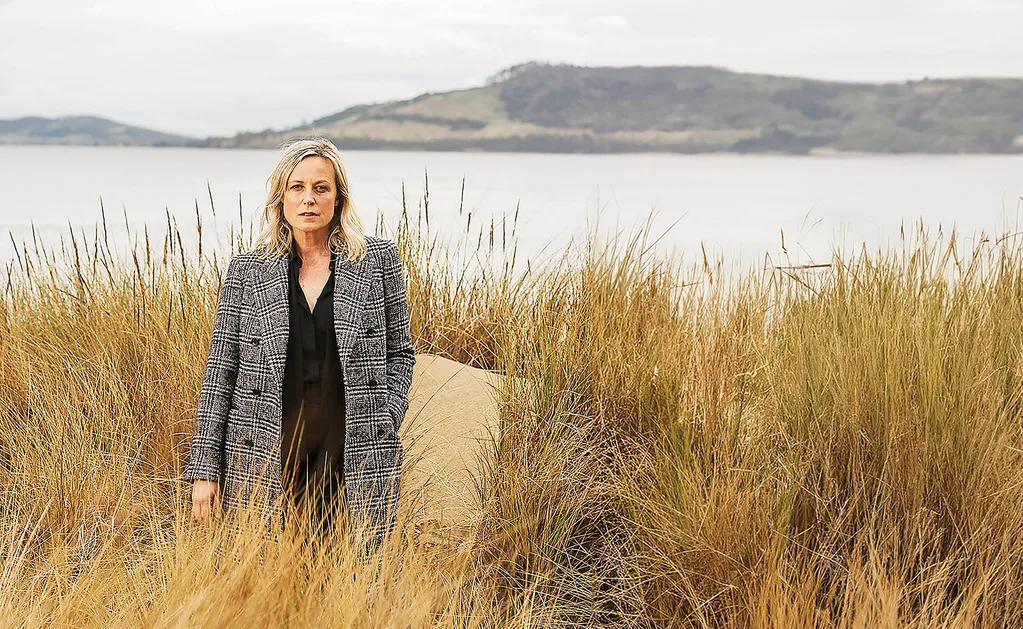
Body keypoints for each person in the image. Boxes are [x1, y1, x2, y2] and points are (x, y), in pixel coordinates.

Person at [180, 136, 416, 551]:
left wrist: (385, 416)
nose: (309, 198)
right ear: (281, 197)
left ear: (338, 198)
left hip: (356, 456)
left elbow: (401, 353)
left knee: (355, 574)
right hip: (263, 459)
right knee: (268, 576)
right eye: (297, 187)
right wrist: (205, 470)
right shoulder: (247, 271)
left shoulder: (377, 260)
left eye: (321, 188)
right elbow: (220, 373)